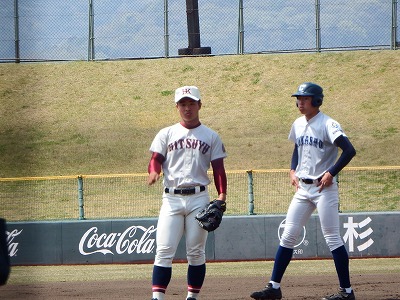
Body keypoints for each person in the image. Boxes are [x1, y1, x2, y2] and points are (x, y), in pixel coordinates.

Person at [251, 82, 356, 300]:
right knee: (288, 235)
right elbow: (297, 148)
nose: (300, 102)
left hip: (323, 188)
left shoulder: (328, 124)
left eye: (305, 98)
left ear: (316, 101)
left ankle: (347, 292)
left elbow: (349, 150)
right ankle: (274, 287)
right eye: (298, 98)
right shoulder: (298, 124)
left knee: (333, 238)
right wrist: (292, 170)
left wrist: (332, 172)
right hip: (303, 189)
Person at [147, 86, 227, 300]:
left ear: (200, 105)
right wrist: (154, 171)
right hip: (171, 198)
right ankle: (158, 298)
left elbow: (218, 168)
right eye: (183, 104)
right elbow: (155, 159)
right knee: (164, 251)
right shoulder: (166, 133)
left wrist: (221, 196)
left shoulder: (211, 136)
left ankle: (192, 296)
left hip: (199, 198)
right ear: (177, 107)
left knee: (195, 252)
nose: (187, 108)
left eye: (191, 103)